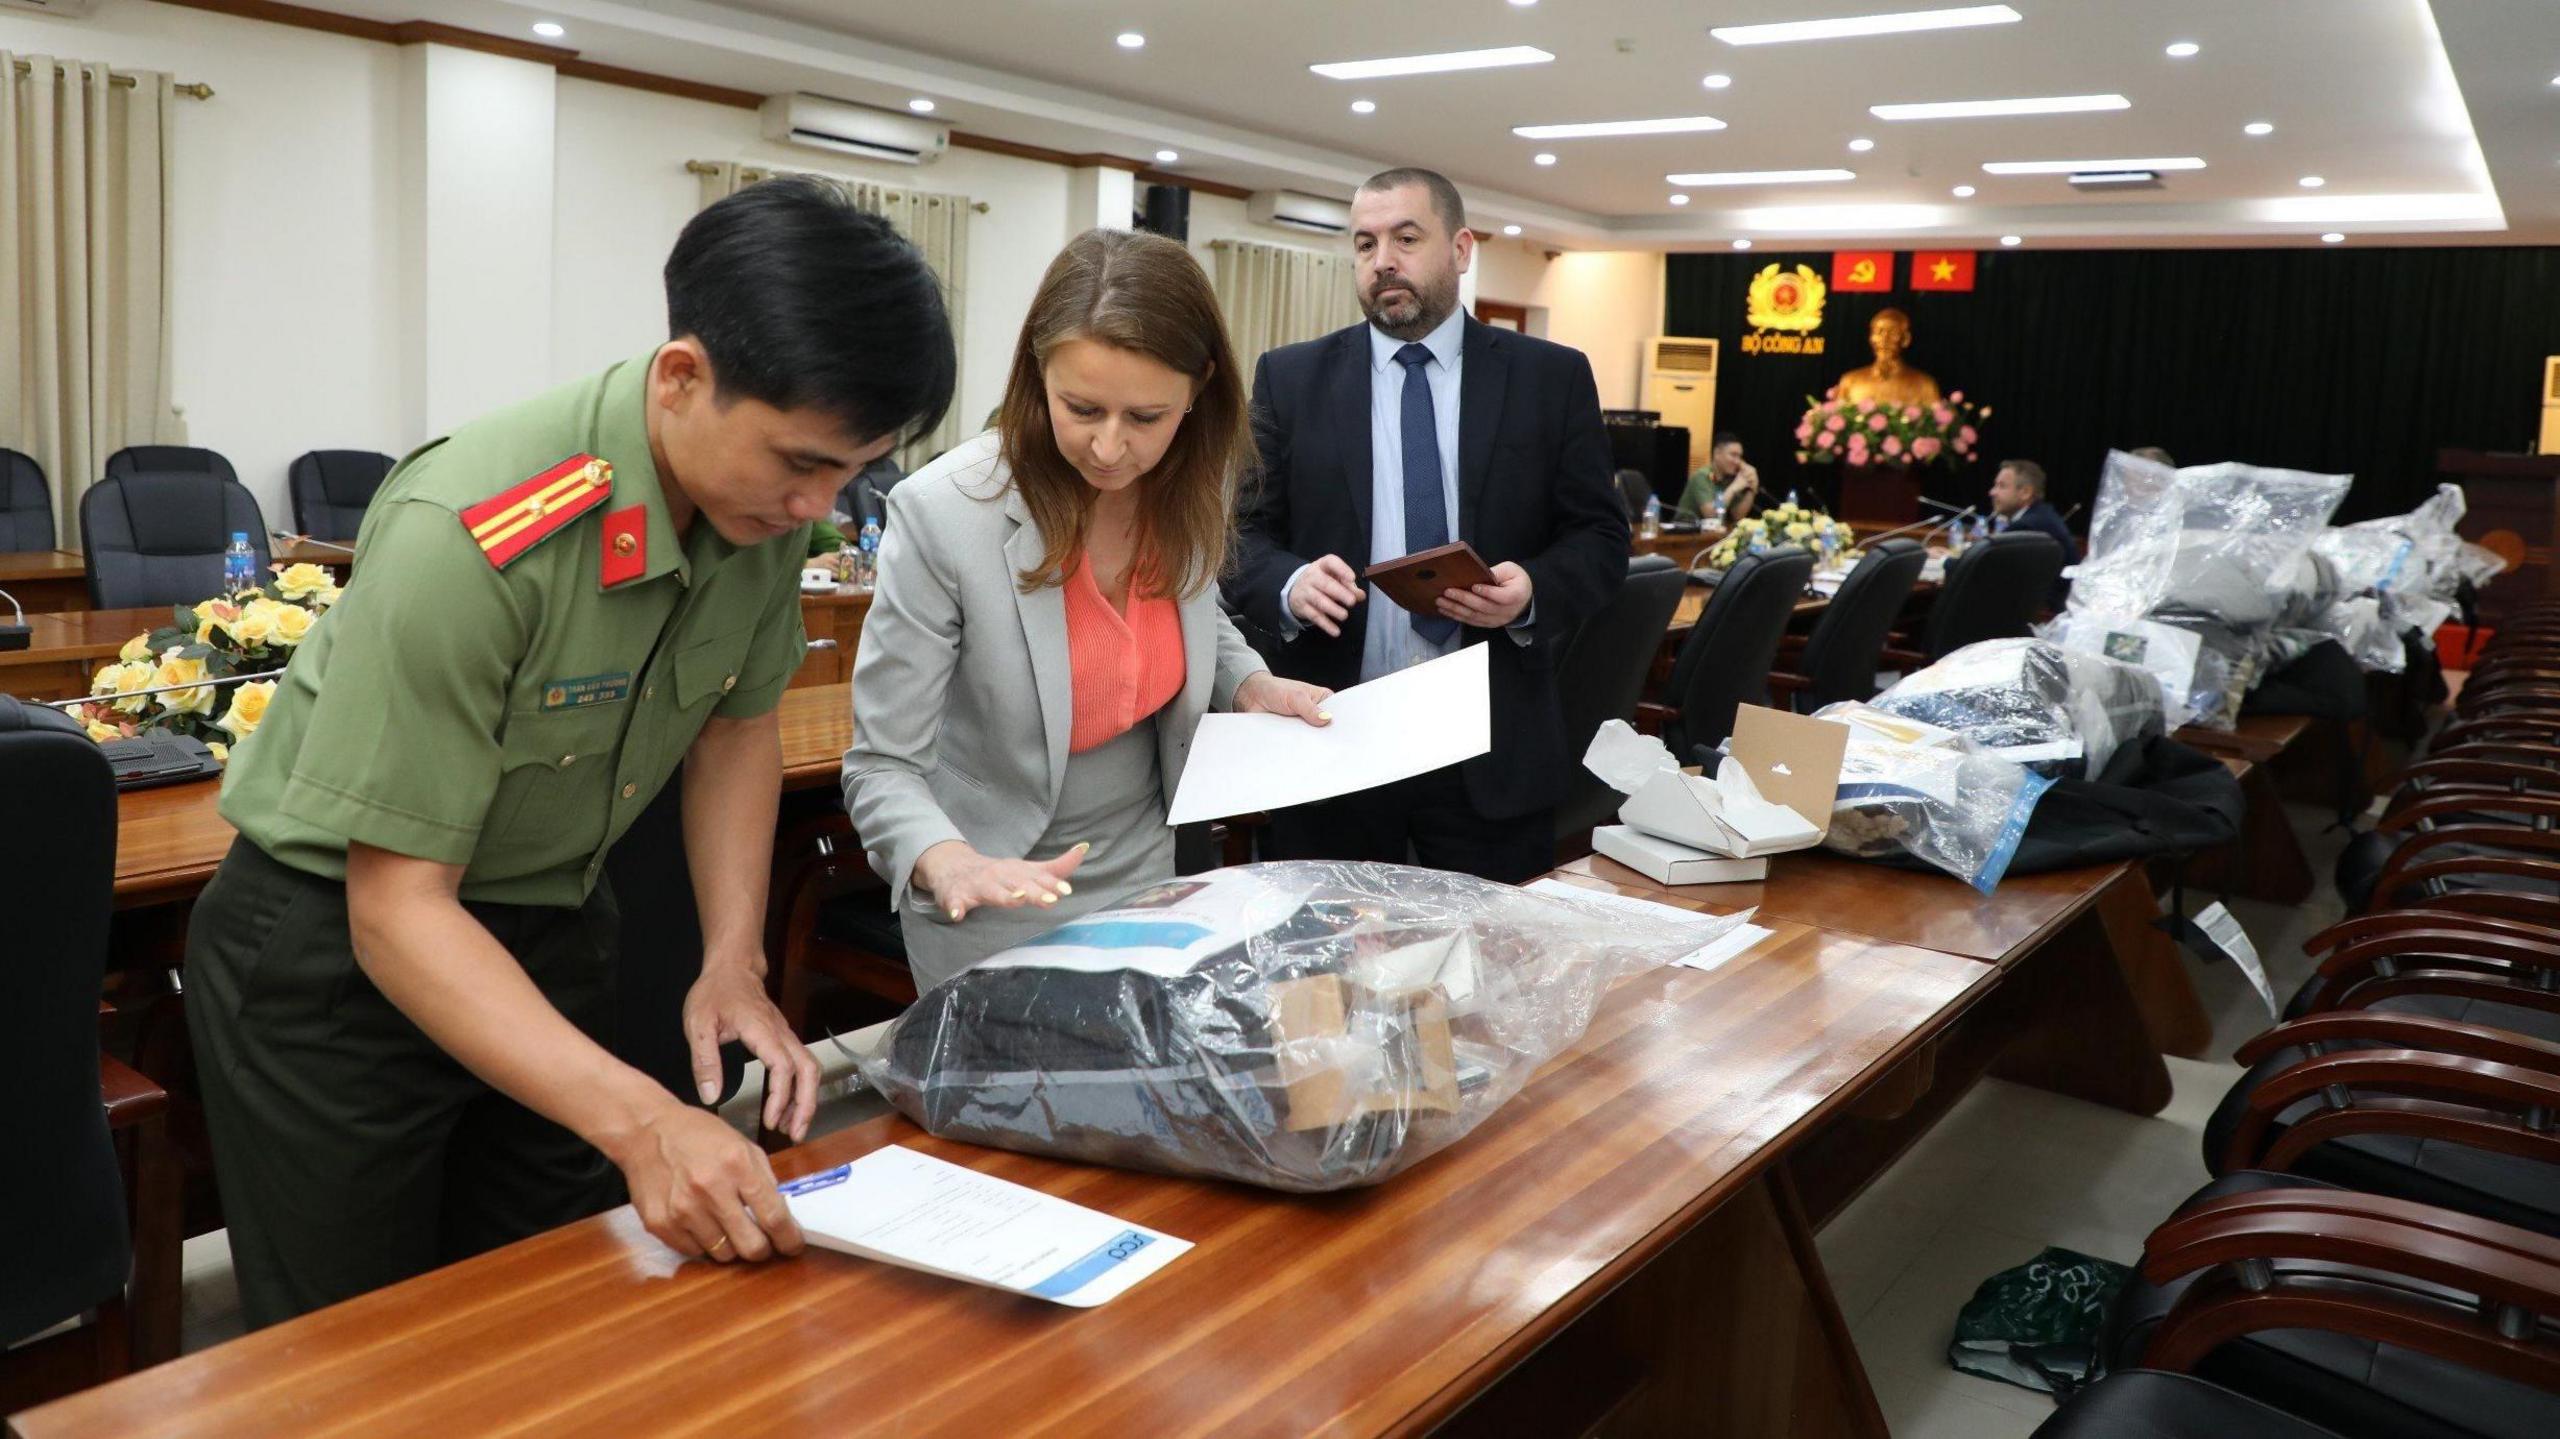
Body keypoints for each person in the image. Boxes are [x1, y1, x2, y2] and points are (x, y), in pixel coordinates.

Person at [183, 177, 957, 1328]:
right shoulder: (474, 529)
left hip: (548, 922)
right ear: (682, 377)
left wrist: (732, 956)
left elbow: (736, 726)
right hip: (336, 961)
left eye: (852, 471)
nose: (818, 505)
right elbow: (396, 908)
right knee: (361, 1355)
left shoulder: (760, 511)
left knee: (552, 1310)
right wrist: (646, 1118)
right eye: (801, 462)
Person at [844, 228, 1333, 990]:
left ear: (1199, 391)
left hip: (1150, 871)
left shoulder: (1189, 483)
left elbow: (1185, 612)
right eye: (1081, 408)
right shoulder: (946, 512)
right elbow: (882, 765)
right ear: (1037, 374)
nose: (1110, 448)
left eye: (1145, 417)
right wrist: (944, 860)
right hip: (991, 885)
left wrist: (1245, 681)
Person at [1224, 167, 1628, 883]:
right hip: (1336, 738)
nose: (1383, 260)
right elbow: (1240, 539)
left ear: (1461, 248)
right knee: (1328, 975)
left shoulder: (1549, 378)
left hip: (1488, 744)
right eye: (1365, 243)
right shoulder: (1290, 380)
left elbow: (1601, 540)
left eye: (1406, 238)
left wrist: (1530, 589)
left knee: (1496, 971)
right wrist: (1288, 585)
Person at [1988, 458, 2079, 607]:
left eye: (2001, 486)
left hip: (2043, 615)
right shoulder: (2041, 516)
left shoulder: (2028, 525)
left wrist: (1944, 562)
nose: (1992, 492)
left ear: (2025, 492)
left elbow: (1987, 570)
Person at [1675, 431, 1758, 526]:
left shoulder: (1730, 479)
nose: (1738, 461)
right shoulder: (1702, 476)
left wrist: (1752, 489)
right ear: (1717, 453)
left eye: (1740, 457)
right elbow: (1711, 514)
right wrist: (1734, 487)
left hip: (1712, 534)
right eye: (1733, 455)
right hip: (1685, 533)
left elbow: (1737, 516)